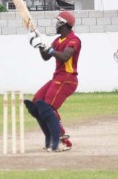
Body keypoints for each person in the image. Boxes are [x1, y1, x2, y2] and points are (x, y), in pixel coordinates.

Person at [24, 11, 81, 151]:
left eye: (58, 22)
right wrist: (39, 45)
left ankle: (63, 141)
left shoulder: (74, 40)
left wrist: (49, 49)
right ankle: (49, 138)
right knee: (37, 101)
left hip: (68, 78)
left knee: (47, 106)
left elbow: (64, 57)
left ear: (64, 24)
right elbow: (46, 56)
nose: (55, 24)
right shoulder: (57, 40)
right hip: (58, 77)